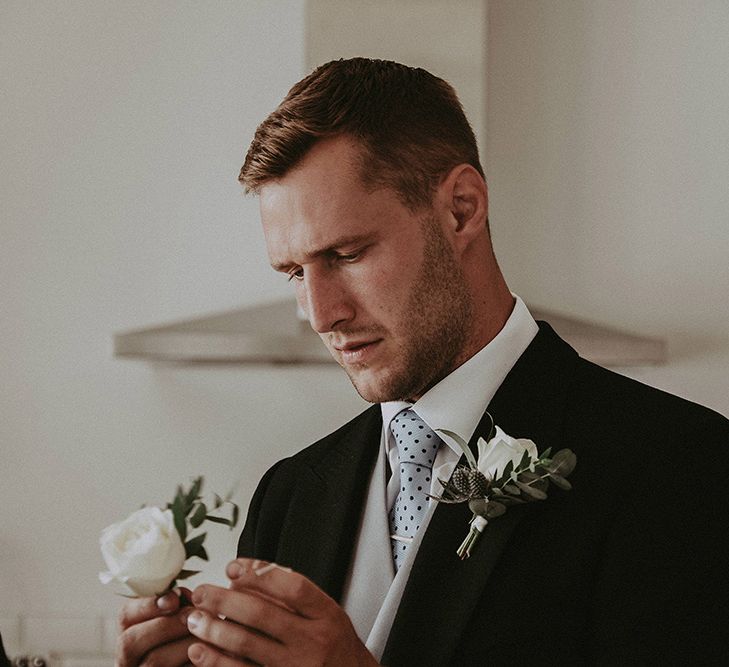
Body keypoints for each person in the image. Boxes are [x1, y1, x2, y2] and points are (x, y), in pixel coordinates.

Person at [116, 58, 729, 666]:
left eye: (348, 253)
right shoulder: (290, 493)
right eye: (295, 272)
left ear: (461, 208)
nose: (321, 314)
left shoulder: (681, 464)